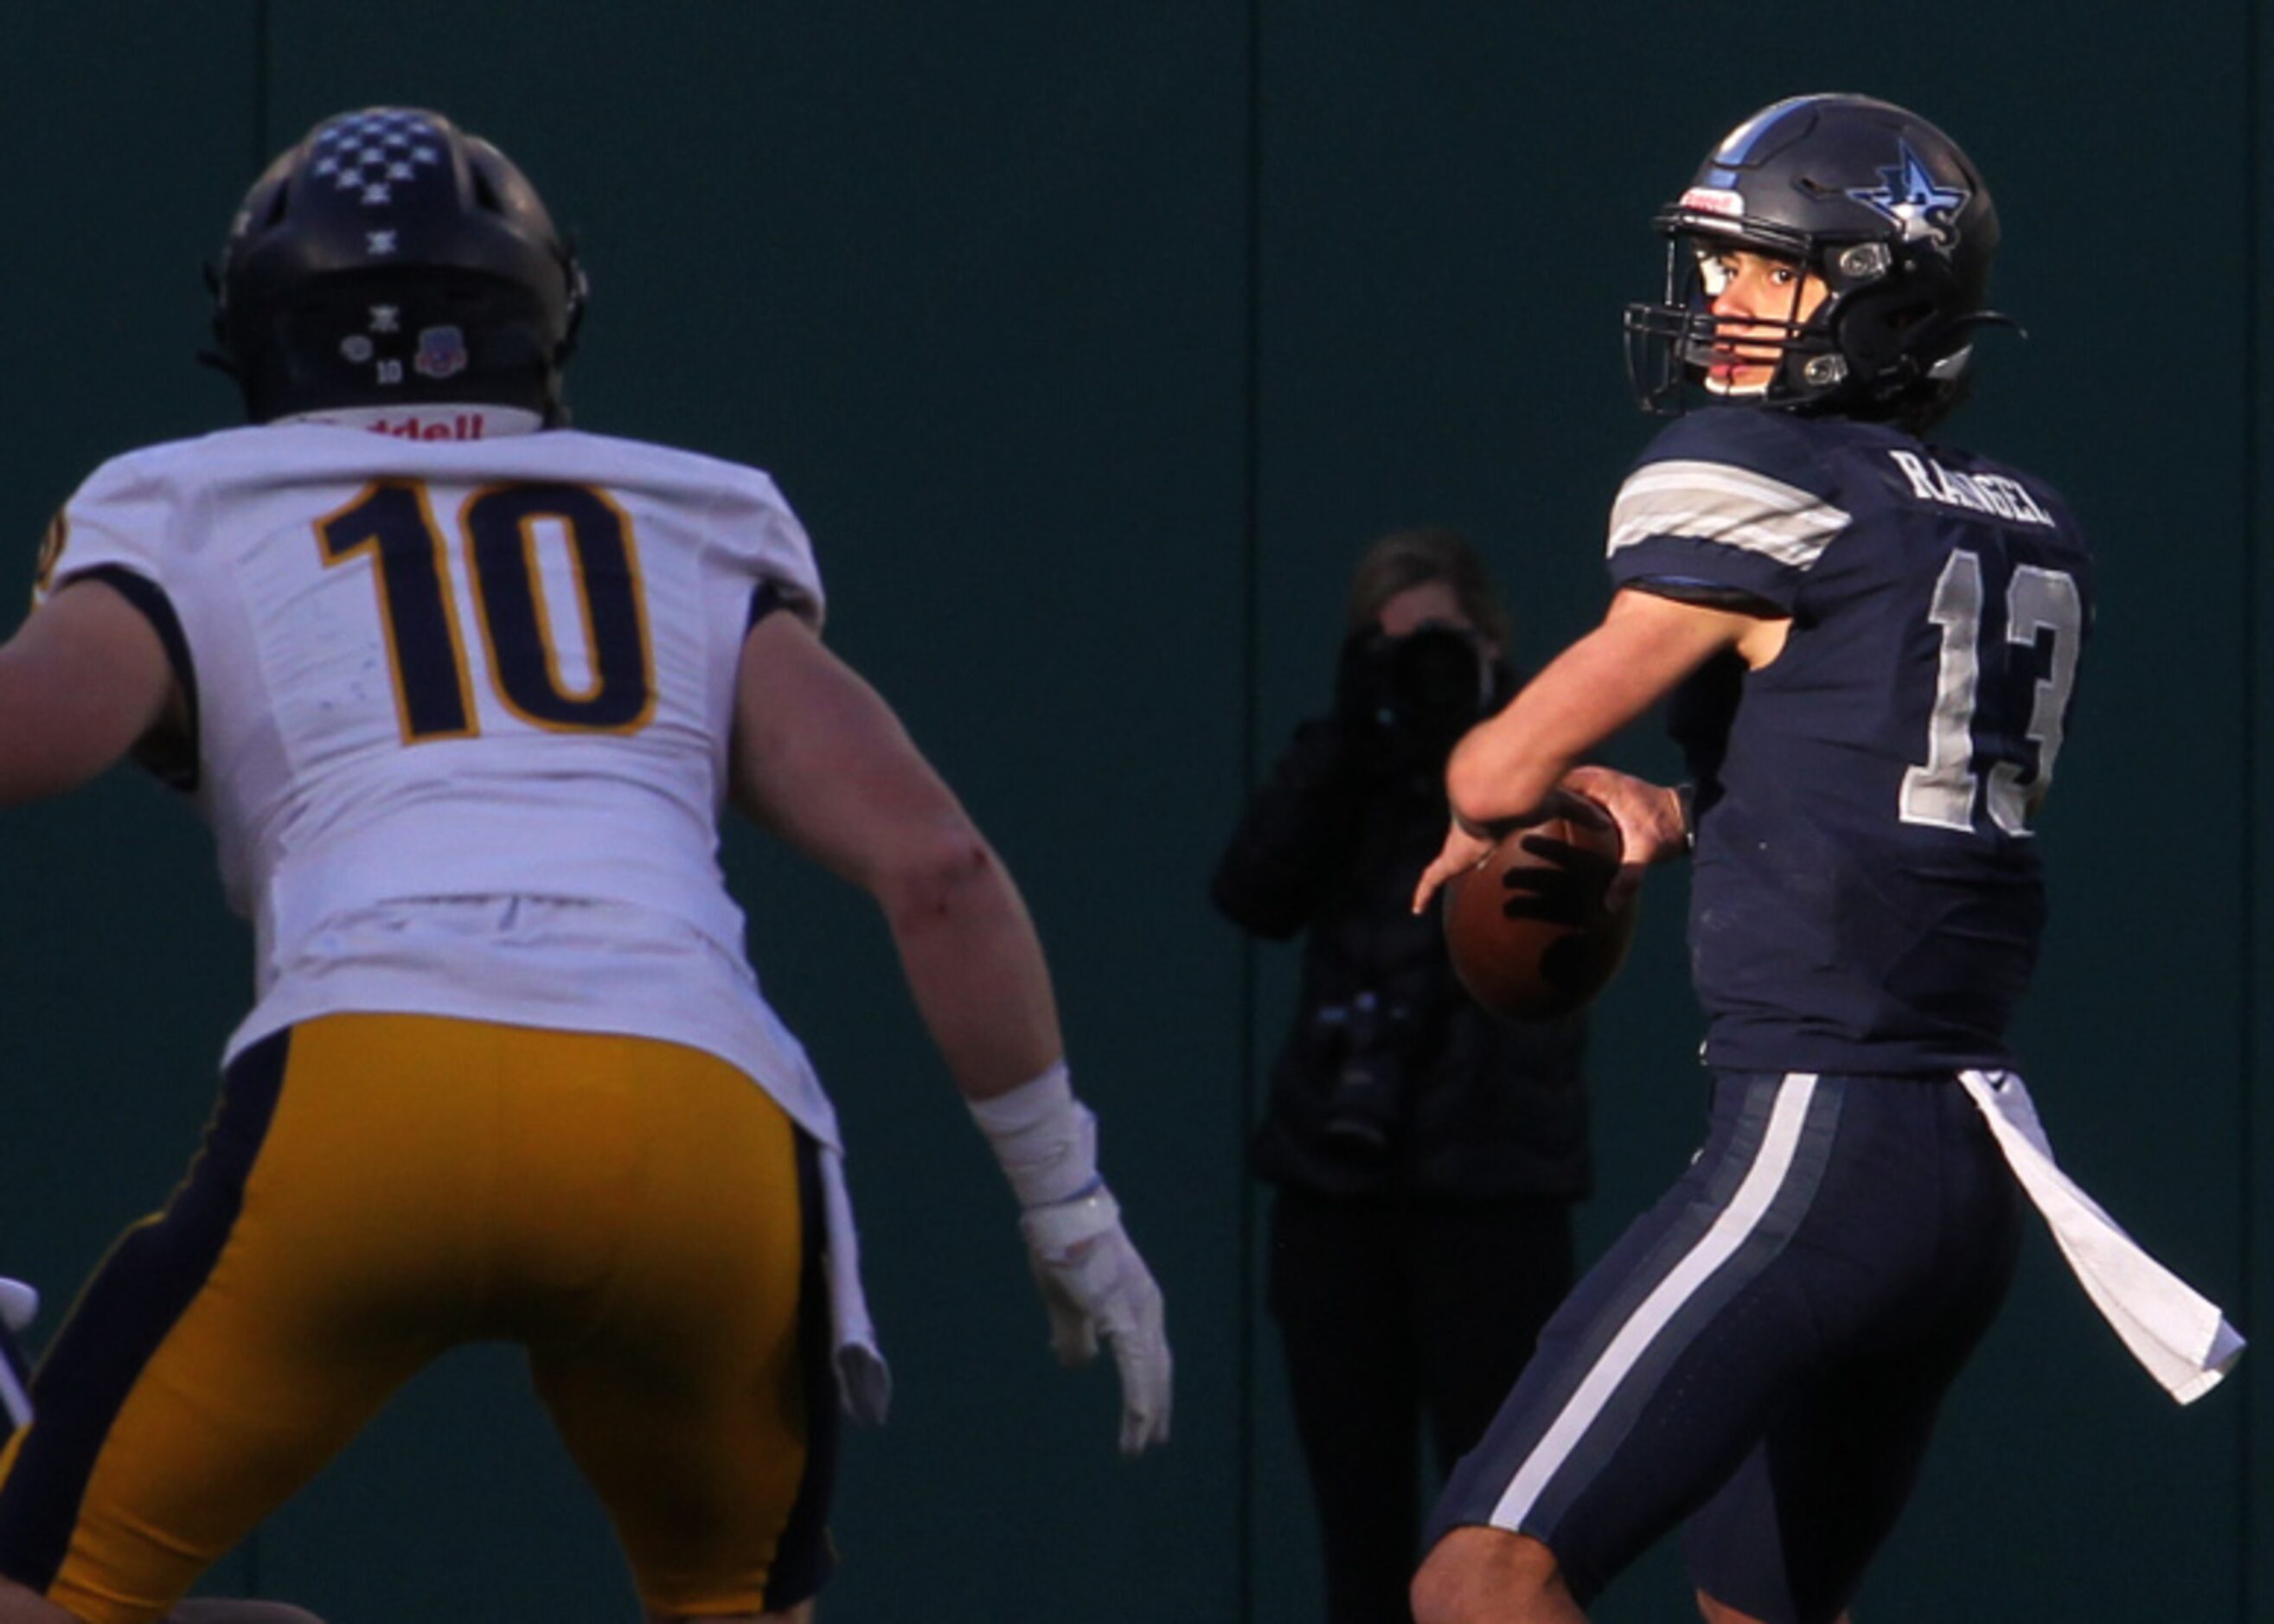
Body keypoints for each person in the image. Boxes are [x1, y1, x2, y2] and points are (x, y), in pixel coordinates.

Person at [0, 105, 1169, 1624]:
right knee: (727, 1599)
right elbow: (937, 862)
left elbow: (33, 729)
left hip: (371, 1087)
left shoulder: (187, 500)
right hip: (696, 1120)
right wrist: (1062, 1197)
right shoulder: (685, 511)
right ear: (541, 308)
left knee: (42, 1590)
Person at [1405, 94, 2237, 1624]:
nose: (1719, 301)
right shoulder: (2015, 519)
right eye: (1714, 264)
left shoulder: (1757, 483)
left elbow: (1496, 763)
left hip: (1814, 1139)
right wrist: (1672, 812)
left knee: (1479, 1575)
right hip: (1967, 1168)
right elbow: (1877, 786)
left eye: (1764, 271)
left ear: (1873, 298)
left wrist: (1481, 798)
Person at [1212, 528, 1590, 1624]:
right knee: (1360, 1548)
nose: (1423, 669)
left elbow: (1566, 939)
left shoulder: (1543, 768)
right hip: (1339, 1188)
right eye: (1397, 648)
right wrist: (1352, 733)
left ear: (1492, 646)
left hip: (1495, 1194)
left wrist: (1498, 744)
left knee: (1500, 1543)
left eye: (1445, 646)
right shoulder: (1345, 764)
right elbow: (1249, 891)